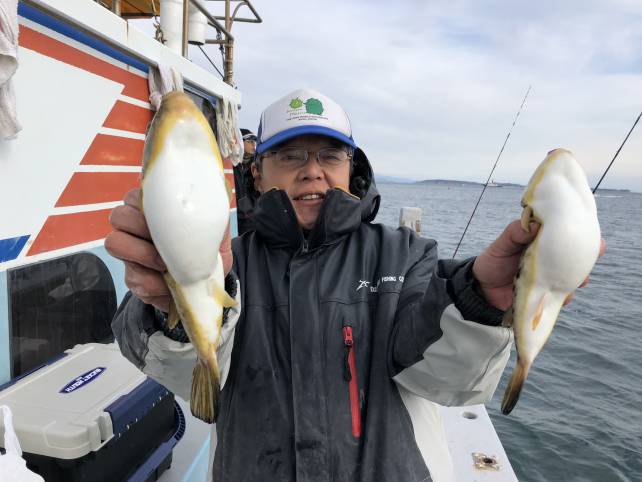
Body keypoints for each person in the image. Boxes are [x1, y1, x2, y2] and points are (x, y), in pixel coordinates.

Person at [106, 88, 604, 482]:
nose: (312, 172)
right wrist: (167, 306)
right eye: (290, 156)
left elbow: (448, 381)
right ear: (256, 174)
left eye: (330, 155)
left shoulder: (406, 254)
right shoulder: (227, 263)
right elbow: (186, 375)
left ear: (352, 168)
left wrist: (479, 301)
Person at [233, 129, 258, 235]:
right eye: (250, 141)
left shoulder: (255, 166)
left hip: (251, 217)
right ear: (240, 142)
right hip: (234, 217)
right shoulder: (232, 165)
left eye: (254, 141)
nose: (254, 144)